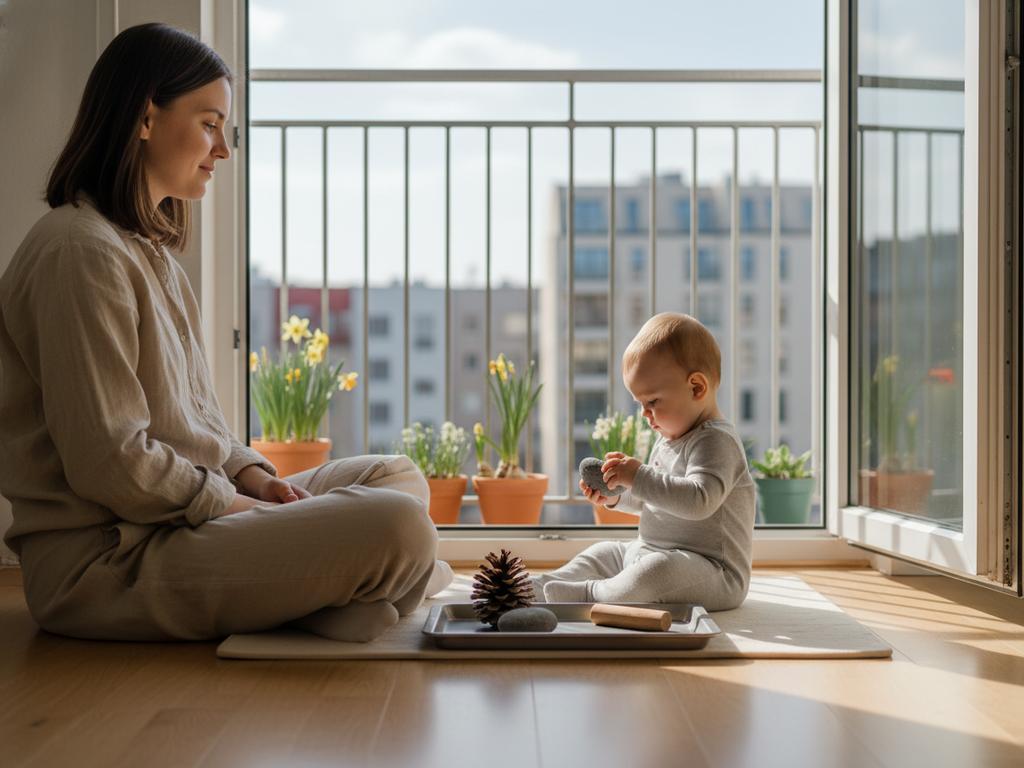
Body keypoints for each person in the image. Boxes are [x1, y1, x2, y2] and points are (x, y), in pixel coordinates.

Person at [0, 22, 452, 644]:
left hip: (187, 520)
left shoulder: (148, 254)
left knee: (396, 479)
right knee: (399, 527)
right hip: (113, 560)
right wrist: (242, 506)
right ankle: (349, 590)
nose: (223, 150)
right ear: (144, 118)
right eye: (210, 124)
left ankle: (333, 598)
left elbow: (199, 428)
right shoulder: (81, 253)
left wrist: (255, 477)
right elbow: (112, 463)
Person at [532, 312, 756, 610]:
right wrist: (615, 497)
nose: (644, 413)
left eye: (652, 402)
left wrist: (637, 476)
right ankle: (544, 584)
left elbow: (699, 501)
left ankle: (589, 594)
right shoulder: (667, 440)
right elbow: (655, 502)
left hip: (713, 571)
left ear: (696, 388)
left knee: (655, 573)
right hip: (651, 550)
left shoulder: (717, 441)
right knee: (604, 553)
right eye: (640, 403)